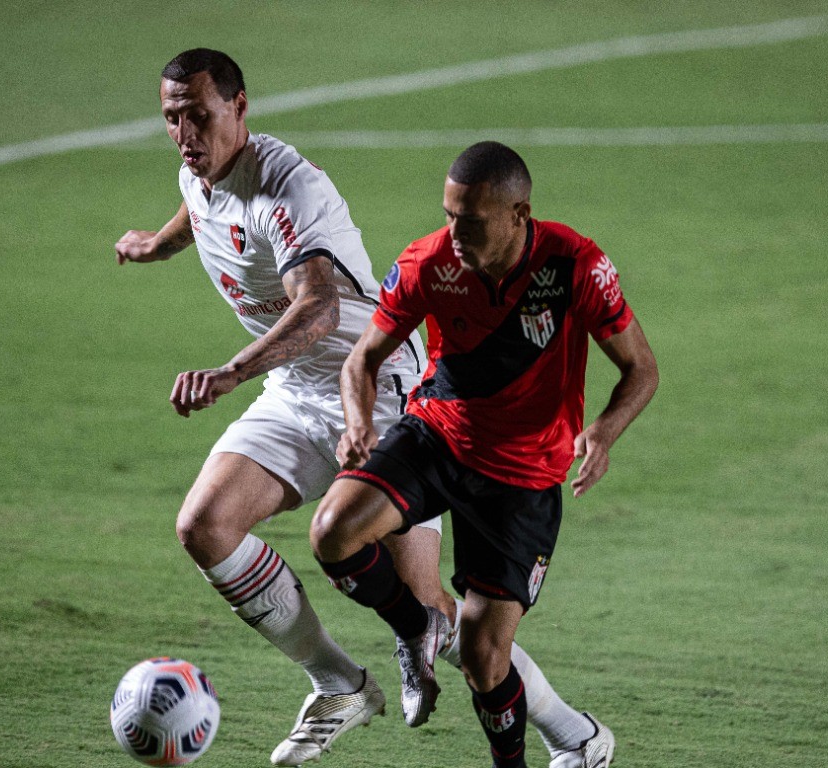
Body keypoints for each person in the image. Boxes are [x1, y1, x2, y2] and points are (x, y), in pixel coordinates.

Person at [115, 51, 607, 767]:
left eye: (200, 116)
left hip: (379, 392)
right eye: (171, 118)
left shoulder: (289, 187)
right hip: (294, 389)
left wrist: (229, 373)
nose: (185, 133)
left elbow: (318, 309)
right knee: (206, 526)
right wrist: (157, 245)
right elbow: (202, 204)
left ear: (241, 109)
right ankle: (339, 682)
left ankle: (575, 736)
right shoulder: (199, 169)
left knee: (440, 618)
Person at [310, 141, 659, 768]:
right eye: (448, 214)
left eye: (469, 220)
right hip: (438, 435)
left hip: (523, 477)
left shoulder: (574, 265)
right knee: (334, 531)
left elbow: (641, 369)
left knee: (483, 660)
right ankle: (416, 626)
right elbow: (363, 357)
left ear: (519, 213)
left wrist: (603, 431)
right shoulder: (427, 262)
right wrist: (359, 421)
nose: (454, 232)